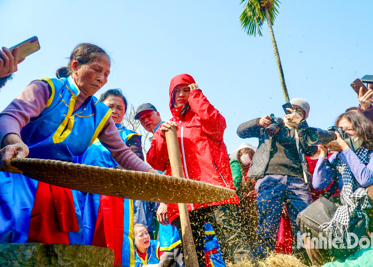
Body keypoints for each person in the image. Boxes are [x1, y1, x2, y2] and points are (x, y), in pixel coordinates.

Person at [0, 43, 156, 246]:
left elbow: (123, 153)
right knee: (14, 236)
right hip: (19, 174)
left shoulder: (100, 114)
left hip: (61, 188)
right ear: (75, 66)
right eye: (97, 70)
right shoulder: (46, 88)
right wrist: (14, 141)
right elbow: (11, 116)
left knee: (65, 247)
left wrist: (151, 173)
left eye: (107, 74)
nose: (102, 78)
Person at [147, 74, 252, 266]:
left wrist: (197, 96)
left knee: (234, 243)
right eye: (176, 91)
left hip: (215, 191)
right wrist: (162, 137)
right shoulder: (166, 127)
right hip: (185, 198)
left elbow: (217, 124)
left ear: (194, 91)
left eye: (185, 89)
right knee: (191, 252)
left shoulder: (203, 118)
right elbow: (156, 163)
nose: (180, 94)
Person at [306, 111, 373, 266]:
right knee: (309, 227)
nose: (343, 135)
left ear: (362, 131)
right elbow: (318, 184)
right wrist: (323, 153)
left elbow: (365, 179)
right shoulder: (337, 158)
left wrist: (345, 148)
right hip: (350, 212)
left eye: (348, 130)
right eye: (339, 131)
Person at [71, 88, 148, 265]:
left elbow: (136, 162)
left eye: (120, 108)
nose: (115, 111)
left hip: (114, 197)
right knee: (82, 235)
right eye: (110, 106)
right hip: (83, 196)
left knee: (114, 240)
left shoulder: (129, 136)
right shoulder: (85, 133)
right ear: (100, 107)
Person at [237, 98, 317, 258]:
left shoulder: (303, 131)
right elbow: (240, 131)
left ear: (304, 116)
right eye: (291, 108)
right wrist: (259, 122)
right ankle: (263, 261)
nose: (293, 112)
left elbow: (310, 149)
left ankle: (305, 261)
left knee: (304, 225)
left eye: (299, 110)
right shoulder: (272, 125)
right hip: (269, 178)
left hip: (297, 180)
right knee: (267, 225)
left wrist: (301, 125)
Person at [136, 103, 184, 267]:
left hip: (176, 204)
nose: (146, 121)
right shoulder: (156, 138)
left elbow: (175, 170)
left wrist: (165, 201)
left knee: (181, 254)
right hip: (165, 213)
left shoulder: (168, 129)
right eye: (142, 119)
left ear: (158, 113)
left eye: (148, 116)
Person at [229, 143, 258, 246]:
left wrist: (257, 192)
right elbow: (235, 185)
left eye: (246, 152)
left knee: (256, 228)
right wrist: (243, 195)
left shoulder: (258, 169)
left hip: (256, 206)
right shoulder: (237, 169)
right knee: (244, 229)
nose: (244, 155)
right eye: (241, 154)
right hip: (242, 206)